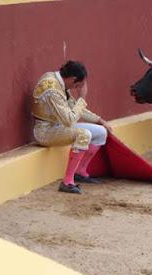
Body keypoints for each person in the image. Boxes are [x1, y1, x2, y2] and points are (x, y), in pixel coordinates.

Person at [31, 60, 111, 194]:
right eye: (78, 85)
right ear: (73, 79)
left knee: (101, 132)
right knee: (83, 134)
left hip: (58, 126)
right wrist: (82, 98)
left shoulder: (59, 83)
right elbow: (69, 120)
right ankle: (67, 182)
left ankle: (80, 171)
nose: (77, 88)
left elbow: (73, 109)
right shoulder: (51, 89)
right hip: (45, 131)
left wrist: (100, 120)